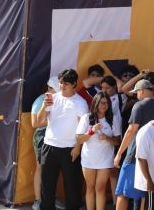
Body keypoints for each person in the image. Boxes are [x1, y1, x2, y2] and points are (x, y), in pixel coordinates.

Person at [35, 69, 89, 210]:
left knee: (72, 187)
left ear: (74, 84)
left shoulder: (80, 103)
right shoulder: (52, 98)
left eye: (66, 84)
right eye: (60, 83)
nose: (62, 86)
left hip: (70, 148)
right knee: (47, 185)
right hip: (49, 145)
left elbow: (83, 128)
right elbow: (39, 120)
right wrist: (44, 106)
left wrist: (77, 147)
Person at [114, 79, 154, 210]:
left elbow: (131, 130)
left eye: (136, 93)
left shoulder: (139, 106)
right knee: (144, 195)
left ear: (141, 91)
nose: (136, 95)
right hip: (153, 156)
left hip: (134, 155)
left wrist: (119, 154)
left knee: (123, 192)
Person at [76, 92, 122, 210]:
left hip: (105, 159)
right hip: (89, 159)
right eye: (102, 103)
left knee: (100, 188)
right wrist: (91, 131)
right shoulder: (86, 118)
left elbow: (118, 141)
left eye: (107, 103)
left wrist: (107, 138)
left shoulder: (113, 118)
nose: (104, 105)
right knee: (90, 188)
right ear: (96, 103)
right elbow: (79, 140)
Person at [31, 76, 59, 210]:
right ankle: (38, 200)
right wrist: (54, 121)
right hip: (42, 136)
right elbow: (34, 123)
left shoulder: (60, 99)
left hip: (57, 137)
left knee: (54, 169)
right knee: (41, 168)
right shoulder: (40, 100)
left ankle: (50, 198)